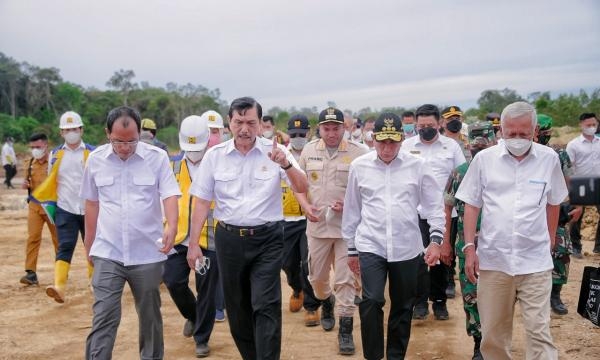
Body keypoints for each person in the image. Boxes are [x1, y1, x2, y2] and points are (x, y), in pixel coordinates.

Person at [186, 97, 308, 360]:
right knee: (238, 311)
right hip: (228, 241)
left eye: (251, 122)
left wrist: (285, 164)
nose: (244, 128)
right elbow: (202, 202)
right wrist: (193, 243)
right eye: (238, 122)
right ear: (229, 123)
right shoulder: (214, 157)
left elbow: (302, 186)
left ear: (261, 124)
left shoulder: (276, 151)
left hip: (268, 239)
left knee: (266, 305)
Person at [455, 101, 567, 360]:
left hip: (535, 261)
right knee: (494, 336)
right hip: (494, 262)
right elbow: (472, 205)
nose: (517, 139)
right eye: (511, 133)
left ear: (535, 131)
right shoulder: (484, 160)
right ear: (501, 131)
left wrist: (550, 239)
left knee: (539, 332)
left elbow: (554, 201)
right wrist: (470, 248)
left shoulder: (548, 159)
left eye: (524, 134)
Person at [343, 113, 444, 360]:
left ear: (402, 139)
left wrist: (436, 239)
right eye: (382, 142)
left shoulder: (417, 166)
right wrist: (351, 249)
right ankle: (374, 356)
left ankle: (396, 356)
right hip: (371, 244)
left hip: (406, 247)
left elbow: (433, 205)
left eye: (393, 142)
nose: (388, 148)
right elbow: (352, 209)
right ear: (373, 139)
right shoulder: (360, 166)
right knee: (372, 300)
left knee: (402, 306)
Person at [82, 106, 181, 359]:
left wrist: (171, 224)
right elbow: (92, 203)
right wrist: (89, 244)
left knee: (149, 316)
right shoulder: (95, 160)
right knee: (104, 314)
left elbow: (169, 194)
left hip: (147, 253)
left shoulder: (157, 158)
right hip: (107, 251)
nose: (125, 147)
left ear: (140, 133)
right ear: (107, 134)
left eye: (131, 141)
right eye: (118, 142)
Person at [295, 106, 368, 355]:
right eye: (326, 129)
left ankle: (345, 329)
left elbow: (368, 190)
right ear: (320, 129)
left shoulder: (359, 153)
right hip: (317, 228)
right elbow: (298, 185)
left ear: (344, 128)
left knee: (345, 280)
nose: (331, 133)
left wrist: (348, 204)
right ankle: (326, 301)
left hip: (347, 230)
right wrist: (305, 206)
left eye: (336, 128)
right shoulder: (308, 150)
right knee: (316, 279)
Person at [400, 104, 466, 321]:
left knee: (442, 257)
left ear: (440, 124)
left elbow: (461, 177)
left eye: (430, 125)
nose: (426, 129)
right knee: (417, 258)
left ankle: (439, 301)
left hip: (446, 212)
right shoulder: (407, 146)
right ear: (415, 125)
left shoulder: (452, 147)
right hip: (415, 212)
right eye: (421, 126)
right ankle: (419, 302)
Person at [162, 114, 219, 357]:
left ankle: (202, 337)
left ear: (208, 140)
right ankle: (194, 315)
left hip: (209, 239)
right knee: (173, 281)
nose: (194, 153)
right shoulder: (171, 167)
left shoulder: (218, 164)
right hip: (178, 238)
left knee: (206, 288)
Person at [443, 121, 497, 360]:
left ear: (495, 141)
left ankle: (494, 342)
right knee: (471, 295)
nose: (479, 150)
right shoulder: (460, 172)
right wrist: (445, 242)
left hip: (500, 244)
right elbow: (446, 209)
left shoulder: (507, 169)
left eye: (484, 145)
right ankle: (478, 344)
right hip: (468, 244)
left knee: (499, 297)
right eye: (475, 146)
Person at [31, 111, 95, 303]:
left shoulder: (92, 153)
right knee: (65, 246)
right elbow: (53, 180)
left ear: (81, 130)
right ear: (61, 133)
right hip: (65, 208)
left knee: (92, 248)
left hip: (90, 208)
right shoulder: (55, 154)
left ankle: (95, 283)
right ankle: (59, 287)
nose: (71, 133)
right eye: (67, 130)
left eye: (74, 129)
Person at [536, 114, 582, 315]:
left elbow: (569, 182)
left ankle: (555, 295)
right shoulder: (520, 152)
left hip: (557, 208)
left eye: (546, 132)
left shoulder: (559, 154)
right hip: (532, 210)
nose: (543, 136)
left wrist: (576, 204)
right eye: (540, 132)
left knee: (561, 252)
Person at [281, 114, 320, 325]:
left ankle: (312, 306)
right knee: (287, 263)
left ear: (308, 133)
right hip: (285, 219)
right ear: (288, 134)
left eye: (301, 134)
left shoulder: (315, 154)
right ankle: (297, 289)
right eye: (294, 134)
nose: (298, 138)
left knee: (308, 263)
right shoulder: (279, 155)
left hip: (308, 218)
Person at [20, 133, 59, 285]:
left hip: (52, 207)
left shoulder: (54, 162)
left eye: (37, 147)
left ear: (45, 146)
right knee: (33, 238)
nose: (34, 150)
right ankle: (31, 273)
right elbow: (27, 182)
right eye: (32, 147)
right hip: (34, 206)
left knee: (58, 240)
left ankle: (61, 270)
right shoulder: (29, 163)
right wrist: (25, 185)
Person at [566, 112, 600, 256]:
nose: (592, 127)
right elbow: (568, 167)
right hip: (580, 183)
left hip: (598, 182)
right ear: (581, 125)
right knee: (576, 215)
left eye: (594, 124)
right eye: (588, 125)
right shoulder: (573, 145)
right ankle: (576, 246)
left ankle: (598, 247)